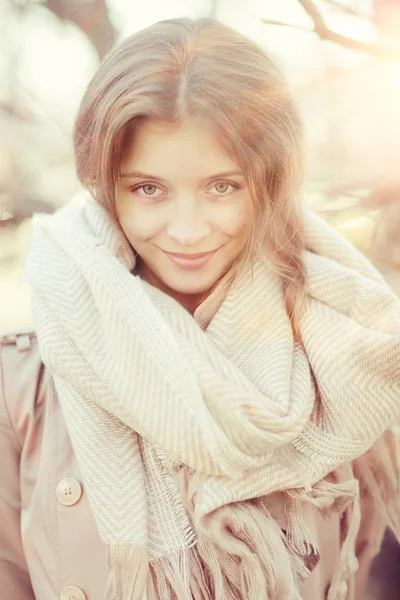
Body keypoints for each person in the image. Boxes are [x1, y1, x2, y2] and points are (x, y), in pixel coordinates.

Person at [1, 16, 400, 600]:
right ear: (103, 182)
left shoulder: (349, 365)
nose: (186, 232)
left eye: (222, 187)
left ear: (271, 182)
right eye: (148, 188)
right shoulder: (24, 388)